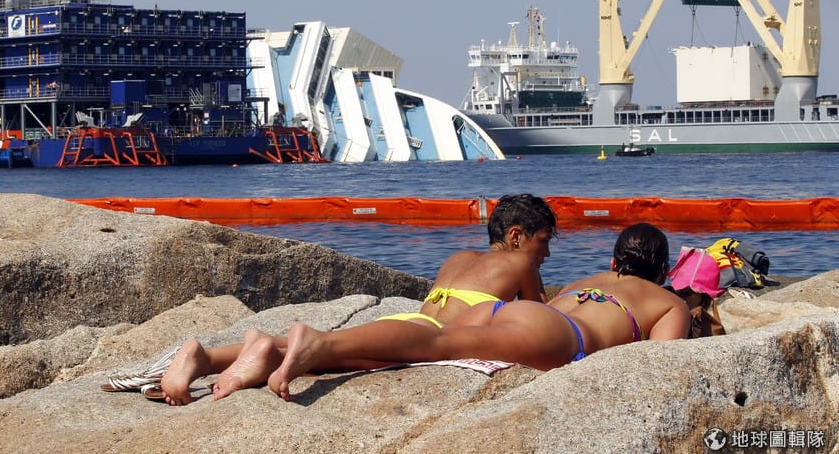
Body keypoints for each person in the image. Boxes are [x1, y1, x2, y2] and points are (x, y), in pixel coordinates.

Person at [153, 193, 558, 405]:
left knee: (333, 352)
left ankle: (207, 357)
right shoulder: (521, 263)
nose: (547, 253)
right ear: (516, 236)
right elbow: (546, 323)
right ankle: (257, 355)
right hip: (429, 335)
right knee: (327, 354)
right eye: (543, 241)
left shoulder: (459, 257)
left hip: (409, 324)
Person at [265, 222, 690, 401]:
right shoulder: (668, 302)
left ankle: (270, 352)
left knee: (428, 343)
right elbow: (658, 362)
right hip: (557, 333)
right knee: (437, 346)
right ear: (664, 272)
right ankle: (320, 343)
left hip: (509, 312)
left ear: (614, 263)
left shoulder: (587, 280)